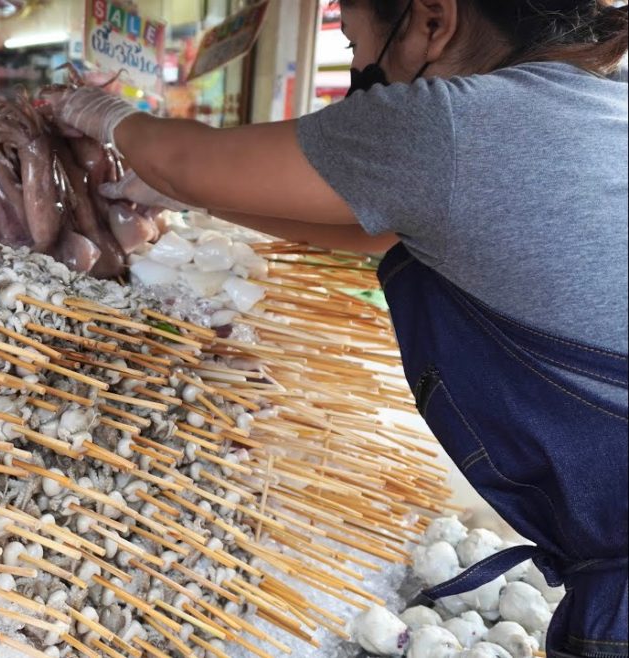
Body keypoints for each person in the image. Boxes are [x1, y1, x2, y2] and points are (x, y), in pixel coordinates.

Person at [45, 1, 627, 656]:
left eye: (352, 40)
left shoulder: (454, 121)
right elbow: (376, 227)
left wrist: (106, 119)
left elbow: (184, 156)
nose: (355, 63)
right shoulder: (593, 105)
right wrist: (196, 196)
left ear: (433, 22)